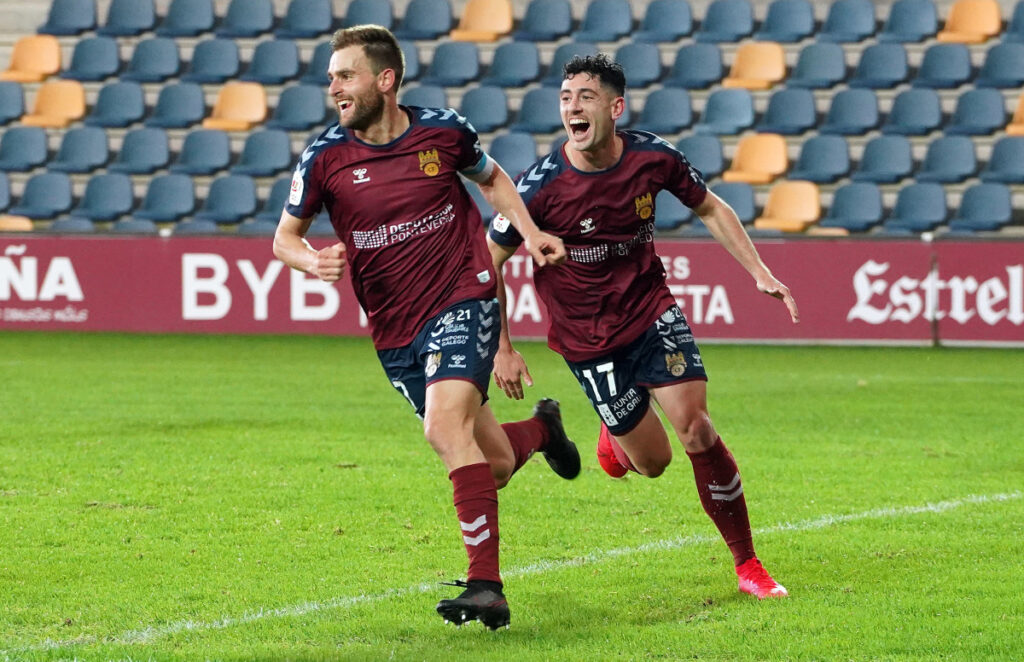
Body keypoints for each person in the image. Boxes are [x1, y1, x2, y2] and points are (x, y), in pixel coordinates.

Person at [272, 25, 581, 631]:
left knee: (444, 428)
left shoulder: (444, 131)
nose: (331, 86)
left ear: (384, 81)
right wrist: (314, 260)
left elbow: (491, 179)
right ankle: (542, 433)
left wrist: (531, 230)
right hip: (393, 328)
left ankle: (485, 585)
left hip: (462, 296)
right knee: (488, 463)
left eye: (345, 75)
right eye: (331, 76)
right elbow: (285, 238)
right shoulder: (325, 158)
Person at [487, 54, 800, 600]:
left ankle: (748, 563)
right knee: (652, 464)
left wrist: (760, 273)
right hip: (588, 341)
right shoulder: (537, 189)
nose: (571, 107)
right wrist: (503, 347)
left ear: (615, 106)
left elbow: (711, 207)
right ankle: (616, 437)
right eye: (565, 98)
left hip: (652, 311)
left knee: (698, 428)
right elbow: (488, 262)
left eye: (584, 96)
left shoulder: (654, 158)